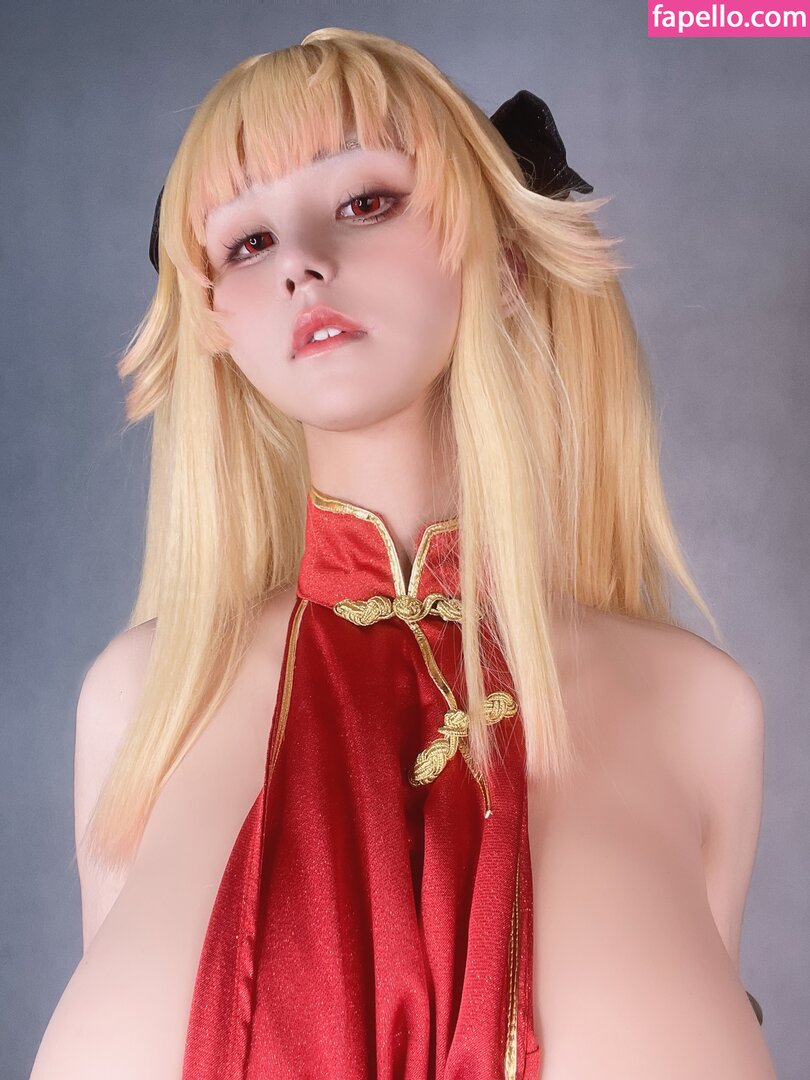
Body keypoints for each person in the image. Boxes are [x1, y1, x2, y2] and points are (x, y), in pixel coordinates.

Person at [31, 26, 775, 1080]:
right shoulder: (138, 706)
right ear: (214, 323)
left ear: (504, 259)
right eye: (247, 241)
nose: (300, 262)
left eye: (366, 201)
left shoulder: (704, 710)